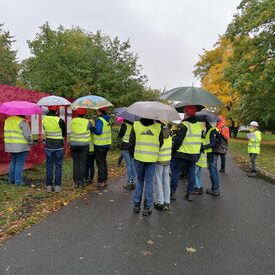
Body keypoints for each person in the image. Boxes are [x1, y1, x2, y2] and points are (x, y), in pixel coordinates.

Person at [129, 118, 163, 216]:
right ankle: (147, 207)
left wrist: (134, 155)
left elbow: (131, 143)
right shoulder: (158, 127)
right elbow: (161, 142)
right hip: (152, 158)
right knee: (149, 182)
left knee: (139, 180)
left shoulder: (136, 125)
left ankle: (136, 205)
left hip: (139, 158)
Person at [170, 105, 202, 201]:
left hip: (182, 154)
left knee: (175, 172)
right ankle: (189, 194)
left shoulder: (184, 125)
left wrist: (173, 150)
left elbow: (178, 141)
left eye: (184, 112)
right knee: (191, 174)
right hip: (194, 154)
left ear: (186, 113)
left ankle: (173, 193)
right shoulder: (198, 125)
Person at [42, 106, 66, 192]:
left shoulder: (44, 120)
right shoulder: (60, 120)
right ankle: (57, 186)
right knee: (58, 165)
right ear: (57, 111)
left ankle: (49, 186)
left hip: (49, 145)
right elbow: (64, 133)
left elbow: (45, 130)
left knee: (49, 165)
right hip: (58, 145)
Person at [4, 115, 33, 186]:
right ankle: (18, 181)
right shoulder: (22, 122)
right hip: (21, 146)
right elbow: (27, 136)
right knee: (19, 163)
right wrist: (31, 142)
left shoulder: (8, 120)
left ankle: (11, 180)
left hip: (10, 145)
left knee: (13, 162)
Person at [70, 108, 93, 188]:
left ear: (77, 113)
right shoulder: (88, 122)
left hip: (73, 144)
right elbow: (91, 130)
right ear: (84, 114)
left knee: (76, 163)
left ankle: (76, 182)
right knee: (82, 163)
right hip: (84, 145)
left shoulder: (72, 121)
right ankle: (81, 182)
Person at [93, 107, 112, 188]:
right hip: (106, 144)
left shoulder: (100, 120)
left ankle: (101, 181)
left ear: (100, 111)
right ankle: (104, 180)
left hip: (99, 144)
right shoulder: (108, 119)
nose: (96, 112)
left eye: (97, 110)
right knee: (103, 162)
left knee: (100, 163)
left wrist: (92, 128)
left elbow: (98, 131)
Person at [154, 125, 172, 211]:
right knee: (166, 180)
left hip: (159, 159)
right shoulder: (170, 133)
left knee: (158, 181)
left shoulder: (158, 133)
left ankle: (160, 201)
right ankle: (167, 201)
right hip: (167, 159)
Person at [201, 121, 220, 196]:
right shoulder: (210, 130)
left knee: (212, 170)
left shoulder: (212, 131)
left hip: (212, 153)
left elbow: (212, 143)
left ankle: (215, 189)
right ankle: (215, 188)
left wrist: (204, 147)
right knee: (212, 170)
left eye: (206, 123)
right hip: (210, 153)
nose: (205, 124)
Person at [118, 119, 136, 190]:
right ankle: (134, 182)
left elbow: (120, 135)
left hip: (125, 146)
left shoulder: (124, 125)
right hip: (132, 146)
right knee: (133, 164)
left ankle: (129, 181)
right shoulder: (134, 125)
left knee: (128, 165)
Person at [192, 123, 207, 195]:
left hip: (198, 159)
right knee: (198, 174)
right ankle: (200, 187)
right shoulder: (204, 140)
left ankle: (197, 187)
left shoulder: (200, 140)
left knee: (193, 173)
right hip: (202, 160)